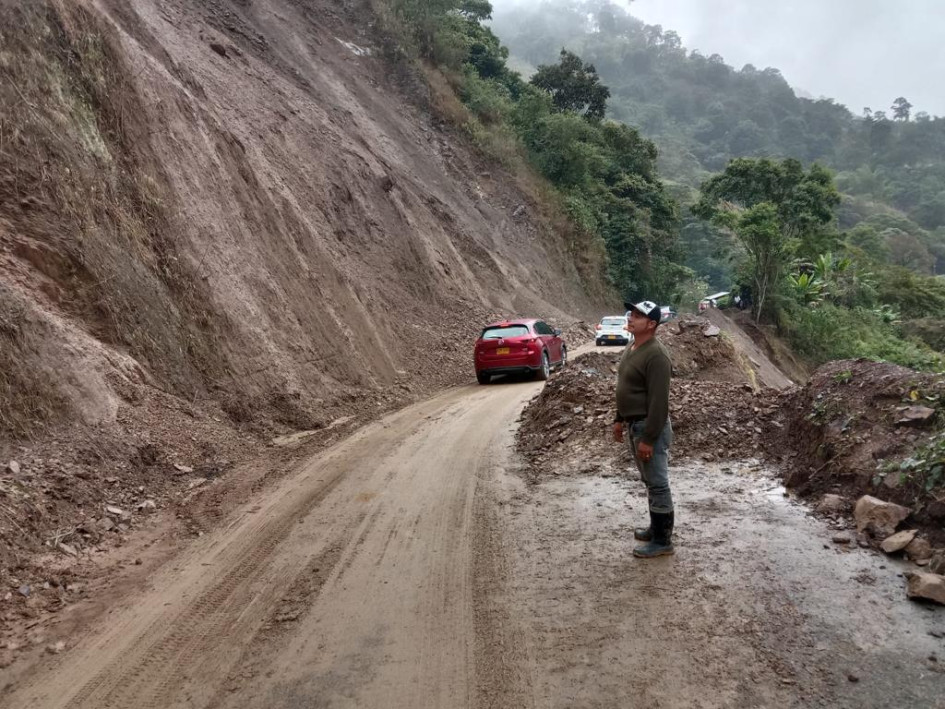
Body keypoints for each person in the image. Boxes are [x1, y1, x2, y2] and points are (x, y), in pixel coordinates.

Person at [612, 300, 675, 558]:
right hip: (634, 424)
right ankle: (654, 528)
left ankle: (663, 541)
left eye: (638, 316)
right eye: (632, 313)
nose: (631, 317)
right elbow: (625, 386)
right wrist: (618, 418)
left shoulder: (657, 355)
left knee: (658, 483)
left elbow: (659, 402)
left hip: (649, 426)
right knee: (649, 480)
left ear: (651, 324)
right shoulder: (633, 346)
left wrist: (649, 438)